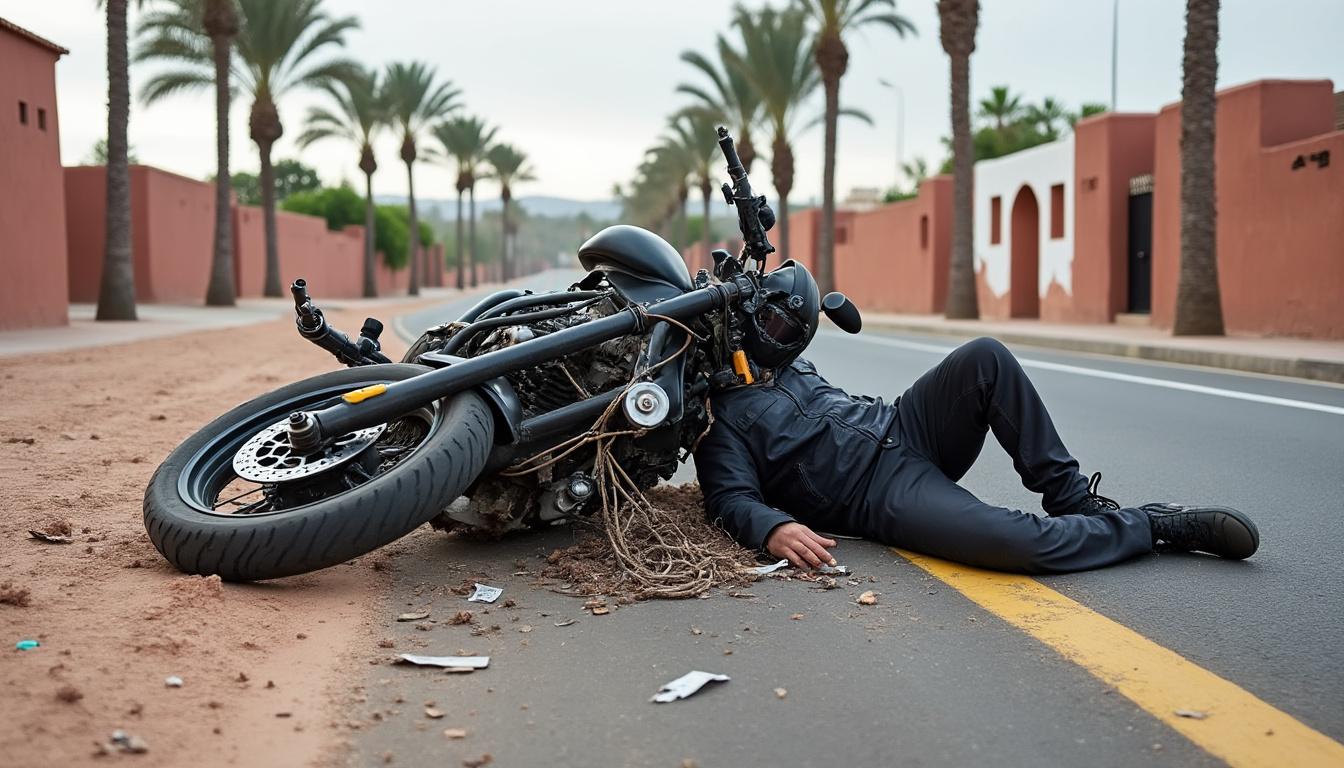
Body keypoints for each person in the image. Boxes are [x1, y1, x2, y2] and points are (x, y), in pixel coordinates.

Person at [693, 266, 1260, 573]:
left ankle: (1073, 500)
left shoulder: (775, 360)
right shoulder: (719, 417)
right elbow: (728, 498)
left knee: (984, 355)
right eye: (776, 327)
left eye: (787, 328)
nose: (782, 338)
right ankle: (1151, 525)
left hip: (905, 424)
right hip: (878, 495)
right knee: (1018, 547)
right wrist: (771, 529)